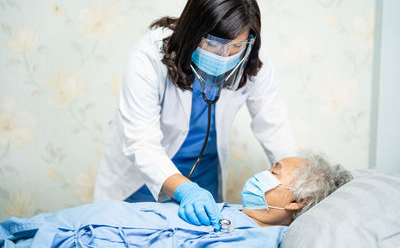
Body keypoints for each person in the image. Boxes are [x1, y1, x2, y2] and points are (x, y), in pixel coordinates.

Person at [94, 0, 297, 232]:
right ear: (193, 32)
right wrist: (185, 189)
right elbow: (141, 142)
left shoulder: (252, 57)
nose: (224, 56)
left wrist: (298, 182)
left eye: (235, 46)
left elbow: (271, 121)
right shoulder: (148, 56)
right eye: (213, 44)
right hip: (143, 183)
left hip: (204, 182)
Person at [1, 153, 352, 247]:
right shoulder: (228, 211)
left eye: (274, 173)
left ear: (297, 201)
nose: (262, 175)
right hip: (62, 225)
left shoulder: (256, 239)